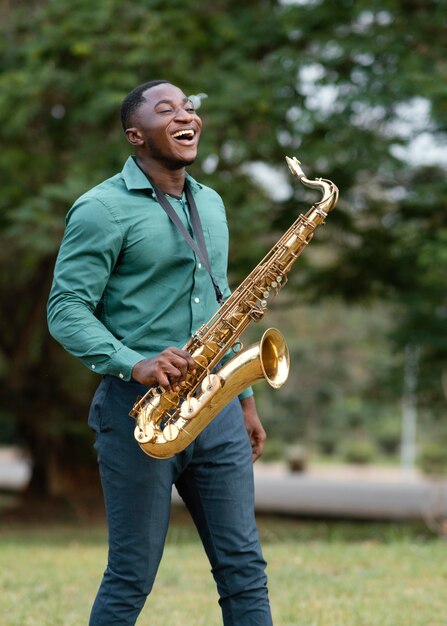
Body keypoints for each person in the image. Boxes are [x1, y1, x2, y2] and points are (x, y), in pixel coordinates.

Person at [47, 80, 273, 626]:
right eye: (165, 109)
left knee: (244, 567)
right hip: (138, 412)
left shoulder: (211, 203)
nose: (184, 115)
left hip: (215, 409)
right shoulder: (101, 208)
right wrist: (135, 361)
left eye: (189, 107)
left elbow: (224, 308)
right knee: (132, 572)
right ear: (136, 136)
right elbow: (65, 308)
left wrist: (243, 401)